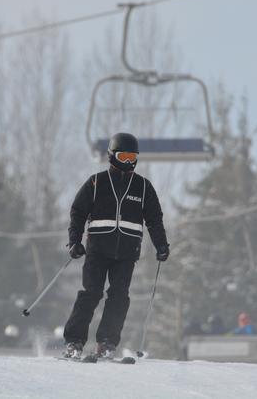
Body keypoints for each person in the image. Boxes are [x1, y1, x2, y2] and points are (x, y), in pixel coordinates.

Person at [62, 133, 170, 359]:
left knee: (119, 296)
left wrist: (161, 245)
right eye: (124, 156)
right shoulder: (96, 182)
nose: (128, 162)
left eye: (132, 157)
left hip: (126, 253)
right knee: (91, 293)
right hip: (97, 250)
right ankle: (74, 341)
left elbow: (154, 219)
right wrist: (74, 241)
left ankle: (107, 342)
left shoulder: (142, 187)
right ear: (112, 156)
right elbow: (78, 212)